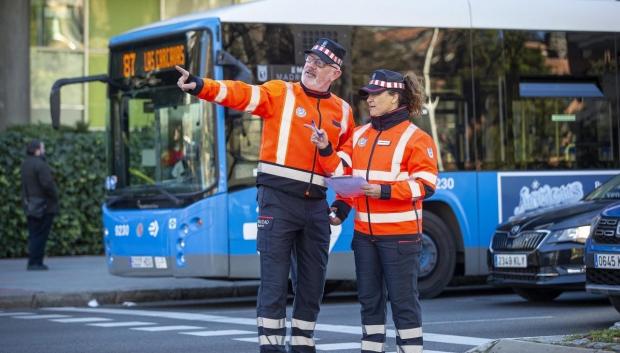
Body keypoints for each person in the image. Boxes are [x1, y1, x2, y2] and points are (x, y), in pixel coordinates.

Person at [176, 38, 355, 353]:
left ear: (335, 73)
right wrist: (200, 86)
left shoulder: (343, 110)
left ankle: (303, 346)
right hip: (277, 200)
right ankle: (270, 349)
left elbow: (347, 166)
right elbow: (241, 93)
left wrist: (342, 204)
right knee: (273, 282)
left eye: (320, 63)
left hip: (316, 206)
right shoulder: (280, 92)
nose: (311, 65)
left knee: (312, 284)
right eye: (310, 59)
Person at [310, 69, 438, 353]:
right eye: (367, 94)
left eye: (375, 94)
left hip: (401, 238)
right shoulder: (359, 136)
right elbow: (346, 178)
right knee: (369, 302)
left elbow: (426, 186)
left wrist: (384, 190)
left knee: (403, 302)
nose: (368, 99)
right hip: (364, 237)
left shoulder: (416, 138)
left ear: (395, 97)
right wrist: (339, 210)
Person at [21, 140, 59, 271]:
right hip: (44, 206)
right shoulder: (40, 164)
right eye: (43, 148)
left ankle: (32, 261)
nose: (44, 150)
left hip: (30, 204)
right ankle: (36, 263)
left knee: (34, 234)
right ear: (37, 150)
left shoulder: (25, 164)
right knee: (41, 235)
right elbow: (48, 184)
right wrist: (55, 196)